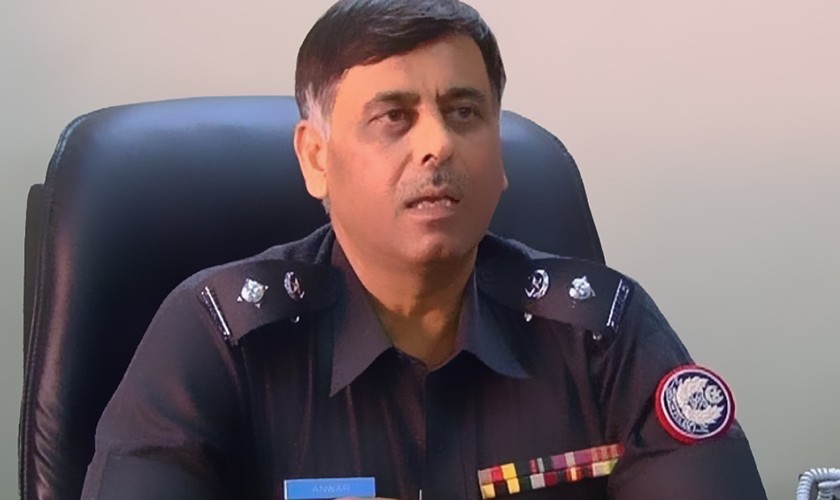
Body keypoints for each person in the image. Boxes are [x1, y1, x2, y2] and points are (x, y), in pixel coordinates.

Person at [80, 0, 767, 499]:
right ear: (316, 158)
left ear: (499, 155)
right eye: (394, 117)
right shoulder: (217, 336)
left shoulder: (603, 332)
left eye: (465, 113)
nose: (438, 144)